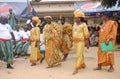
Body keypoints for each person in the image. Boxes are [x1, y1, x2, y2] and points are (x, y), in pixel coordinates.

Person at [72, 10, 89, 75]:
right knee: (80, 53)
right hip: (75, 41)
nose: (75, 19)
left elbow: (86, 34)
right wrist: (72, 41)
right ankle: (82, 64)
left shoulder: (84, 24)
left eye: (76, 18)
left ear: (80, 18)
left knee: (78, 54)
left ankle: (77, 68)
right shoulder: (74, 24)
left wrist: (87, 43)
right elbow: (73, 32)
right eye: (75, 18)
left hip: (81, 41)